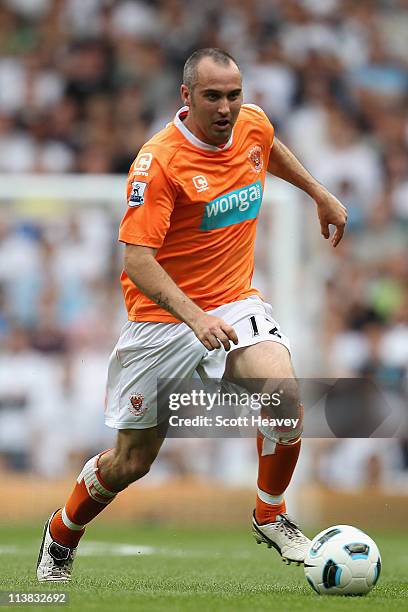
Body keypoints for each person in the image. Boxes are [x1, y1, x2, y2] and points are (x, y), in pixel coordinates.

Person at [37, 48, 347, 582]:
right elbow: (136, 261)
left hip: (235, 301)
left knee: (285, 394)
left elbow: (266, 147)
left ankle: (269, 513)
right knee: (130, 463)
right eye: (212, 97)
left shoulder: (251, 124)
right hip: (162, 321)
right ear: (186, 97)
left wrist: (317, 191)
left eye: (233, 95)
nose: (226, 108)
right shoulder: (159, 162)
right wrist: (194, 317)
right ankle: (62, 534)